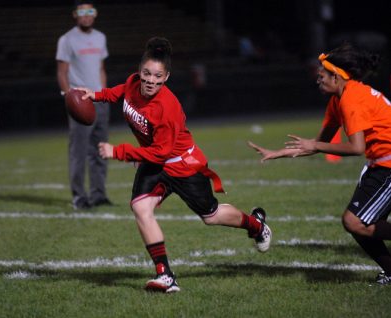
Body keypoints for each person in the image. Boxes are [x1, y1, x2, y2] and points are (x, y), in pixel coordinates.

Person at [76, 37, 272, 293]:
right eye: (146, 73)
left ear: (166, 77)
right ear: (139, 71)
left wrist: (119, 152)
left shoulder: (167, 108)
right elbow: (121, 92)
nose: (150, 80)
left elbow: (160, 153)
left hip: (181, 165)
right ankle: (165, 275)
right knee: (140, 207)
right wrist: (96, 95)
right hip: (155, 161)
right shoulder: (134, 83)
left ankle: (257, 225)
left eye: (157, 76)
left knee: (211, 217)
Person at [249, 42, 391, 285]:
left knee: (354, 221)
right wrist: (278, 153)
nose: (318, 79)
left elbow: (355, 148)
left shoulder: (352, 99)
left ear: (336, 77)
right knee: (356, 222)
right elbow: (319, 142)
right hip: (380, 163)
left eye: (322, 75)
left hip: (388, 164)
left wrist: (315, 146)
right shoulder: (340, 99)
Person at [56, 0, 111, 209]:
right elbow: (62, 72)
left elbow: (101, 69)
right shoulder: (67, 39)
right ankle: (79, 196)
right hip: (80, 102)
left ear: (95, 14)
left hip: (99, 100)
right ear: (75, 14)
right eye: (82, 12)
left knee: (100, 149)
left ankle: (99, 194)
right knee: (78, 151)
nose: (86, 15)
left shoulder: (100, 37)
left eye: (90, 11)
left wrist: (104, 95)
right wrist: (69, 98)